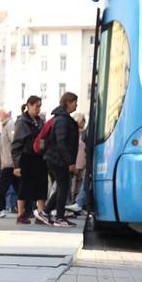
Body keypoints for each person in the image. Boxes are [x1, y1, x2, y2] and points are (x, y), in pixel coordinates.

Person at [42, 92, 80, 227]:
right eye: (75, 102)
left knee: (62, 187)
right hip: (59, 159)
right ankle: (59, 217)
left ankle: (46, 212)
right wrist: (70, 161)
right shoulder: (62, 120)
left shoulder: (62, 118)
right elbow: (61, 142)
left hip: (58, 158)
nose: (76, 105)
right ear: (68, 102)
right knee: (63, 187)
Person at [11, 96, 48, 225]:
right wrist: (16, 165)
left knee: (42, 185)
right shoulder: (22, 122)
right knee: (24, 186)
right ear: (29, 105)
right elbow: (16, 144)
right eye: (37, 106)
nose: (38, 109)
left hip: (40, 156)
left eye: (40, 106)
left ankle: (41, 214)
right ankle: (20, 214)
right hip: (26, 157)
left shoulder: (40, 121)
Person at [0, 108, 17, 217]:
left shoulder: (9, 125)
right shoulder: (6, 125)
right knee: (18, 187)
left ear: (5, 114)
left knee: (0, 187)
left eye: (0, 114)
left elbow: (13, 142)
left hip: (10, 163)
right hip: (8, 162)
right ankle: (27, 209)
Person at [68, 112, 87, 211]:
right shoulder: (73, 132)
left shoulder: (85, 133)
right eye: (83, 120)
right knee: (73, 183)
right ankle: (72, 202)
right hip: (75, 161)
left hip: (83, 161)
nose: (84, 122)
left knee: (80, 183)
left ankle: (76, 202)